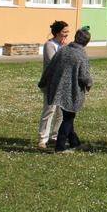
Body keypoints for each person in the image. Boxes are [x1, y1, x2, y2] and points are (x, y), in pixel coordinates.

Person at [38, 26, 93, 152]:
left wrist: (43, 82)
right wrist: (89, 83)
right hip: (72, 91)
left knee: (67, 116)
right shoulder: (81, 54)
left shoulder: (64, 50)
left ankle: (75, 143)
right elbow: (84, 76)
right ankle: (60, 147)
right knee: (68, 119)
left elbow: (50, 67)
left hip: (57, 89)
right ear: (86, 42)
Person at [38, 20, 69, 148]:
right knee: (49, 110)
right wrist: (62, 49)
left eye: (68, 32)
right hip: (51, 84)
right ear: (57, 33)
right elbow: (54, 63)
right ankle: (42, 139)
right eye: (64, 32)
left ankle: (54, 136)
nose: (66, 35)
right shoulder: (49, 45)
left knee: (60, 112)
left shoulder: (65, 46)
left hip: (63, 84)